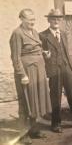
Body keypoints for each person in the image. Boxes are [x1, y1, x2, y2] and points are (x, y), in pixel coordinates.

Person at [9, 8, 51, 143]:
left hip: (38, 70)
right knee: (25, 103)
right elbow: (15, 57)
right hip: (27, 73)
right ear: (22, 19)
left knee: (35, 101)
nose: (33, 22)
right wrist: (22, 75)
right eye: (30, 19)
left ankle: (33, 130)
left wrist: (43, 53)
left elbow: (34, 48)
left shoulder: (34, 32)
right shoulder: (17, 33)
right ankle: (23, 134)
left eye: (34, 19)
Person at [39, 9, 72, 133]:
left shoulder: (63, 33)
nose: (56, 21)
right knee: (55, 96)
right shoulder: (43, 35)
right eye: (53, 18)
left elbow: (66, 52)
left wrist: (71, 67)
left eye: (58, 19)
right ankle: (56, 123)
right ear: (49, 20)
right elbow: (40, 53)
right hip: (54, 69)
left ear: (60, 20)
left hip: (66, 68)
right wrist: (45, 56)